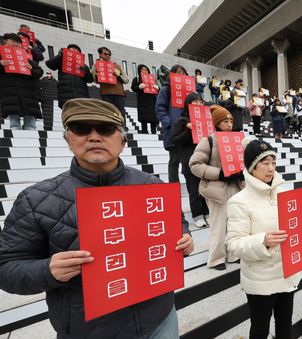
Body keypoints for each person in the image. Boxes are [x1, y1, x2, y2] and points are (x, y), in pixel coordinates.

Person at [0, 98, 194, 338]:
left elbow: (177, 223)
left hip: (159, 318)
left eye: (105, 129)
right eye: (82, 129)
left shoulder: (151, 185)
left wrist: (184, 237)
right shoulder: (35, 199)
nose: (94, 137)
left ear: (122, 141)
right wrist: (47, 270)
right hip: (90, 330)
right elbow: (7, 267)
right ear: (68, 139)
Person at [227, 139, 302, 338]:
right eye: (265, 163)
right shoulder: (238, 201)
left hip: (286, 272)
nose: (271, 168)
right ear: (252, 167)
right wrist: (262, 240)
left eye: (273, 162)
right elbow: (234, 245)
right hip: (260, 277)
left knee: (284, 323)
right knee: (260, 328)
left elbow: (298, 223)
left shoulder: (285, 192)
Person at [189, 105, 243, 270]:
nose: (229, 124)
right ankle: (216, 258)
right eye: (225, 121)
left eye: (231, 121)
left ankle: (233, 254)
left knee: (234, 224)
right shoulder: (209, 140)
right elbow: (195, 164)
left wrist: (241, 173)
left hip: (235, 186)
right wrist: (219, 173)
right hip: (216, 188)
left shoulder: (237, 139)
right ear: (217, 123)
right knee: (218, 225)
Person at [171, 92, 210, 228]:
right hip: (189, 160)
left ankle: (207, 213)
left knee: (205, 188)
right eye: (195, 101)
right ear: (188, 104)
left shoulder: (206, 118)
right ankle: (197, 215)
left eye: (201, 101)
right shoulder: (182, 120)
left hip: (205, 160)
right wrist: (188, 131)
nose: (199, 104)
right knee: (194, 191)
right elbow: (175, 140)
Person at [0, 33, 43, 130]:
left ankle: (30, 130)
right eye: (13, 41)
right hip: (9, 92)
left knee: (30, 124)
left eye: (18, 42)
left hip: (28, 92)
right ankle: (15, 130)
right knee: (14, 122)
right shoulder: (1, 55)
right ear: (5, 42)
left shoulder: (25, 57)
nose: (16, 44)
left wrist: (31, 69)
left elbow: (39, 72)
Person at [155, 64, 189, 183]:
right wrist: (169, 123)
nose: (182, 75)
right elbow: (160, 109)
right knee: (174, 160)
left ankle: (191, 183)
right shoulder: (166, 89)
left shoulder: (189, 91)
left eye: (184, 73)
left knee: (189, 159)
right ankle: (174, 185)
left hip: (188, 131)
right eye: (179, 72)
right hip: (174, 130)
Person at [46, 44, 94, 109]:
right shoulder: (61, 61)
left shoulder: (84, 66)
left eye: (76, 50)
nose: (74, 50)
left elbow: (90, 80)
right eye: (71, 49)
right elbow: (50, 65)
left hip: (82, 97)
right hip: (65, 96)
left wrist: (85, 70)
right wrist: (60, 55)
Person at [91, 47, 129, 129]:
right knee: (108, 111)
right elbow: (95, 80)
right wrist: (96, 74)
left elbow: (126, 81)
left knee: (120, 111)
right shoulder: (96, 65)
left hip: (119, 92)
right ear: (100, 54)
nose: (107, 56)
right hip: (106, 92)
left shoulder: (117, 66)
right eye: (105, 54)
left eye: (109, 54)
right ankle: (110, 128)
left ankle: (122, 127)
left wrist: (118, 75)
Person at [131, 64, 159, 134]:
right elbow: (133, 88)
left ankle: (154, 132)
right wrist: (139, 87)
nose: (144, 71)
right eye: (142, 70)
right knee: (144, 118)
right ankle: (144, 132)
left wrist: (157, 88)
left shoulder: (153, 79)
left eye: (146, 69)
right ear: (139, 71)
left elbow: (159, 90)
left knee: (153, 118)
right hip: (142, 101)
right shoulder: (136, 79)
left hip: (152, 101)